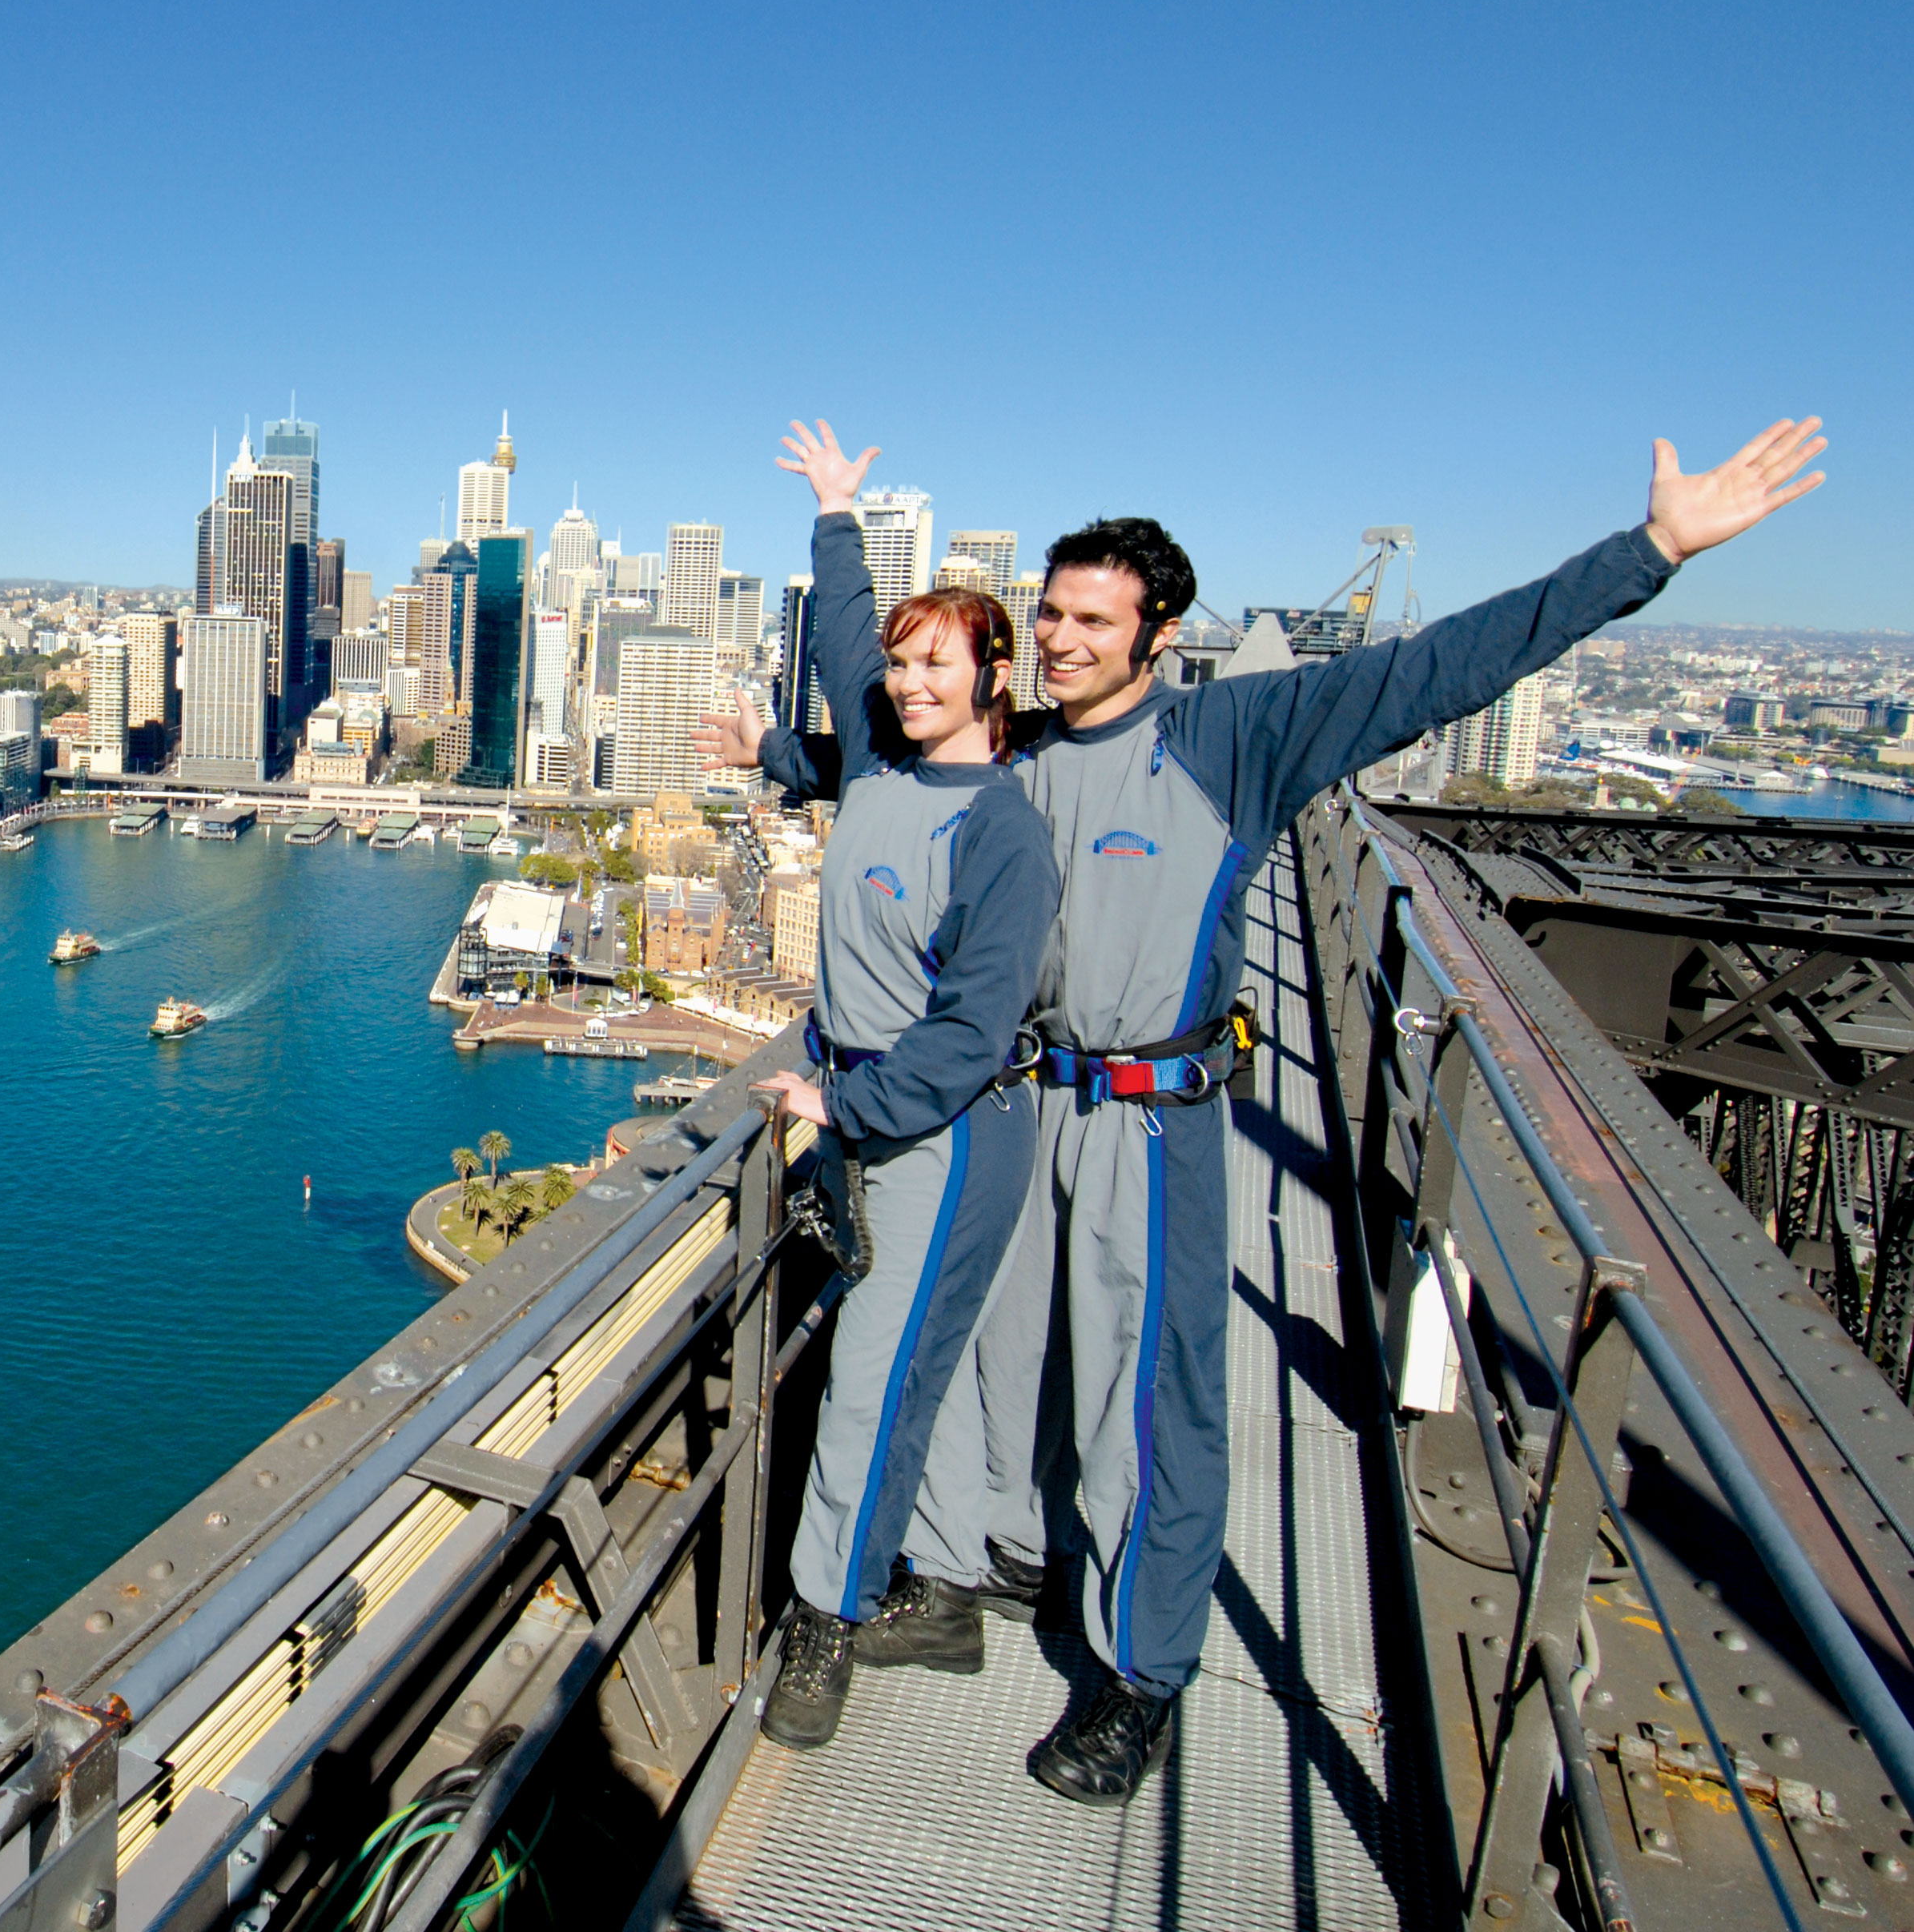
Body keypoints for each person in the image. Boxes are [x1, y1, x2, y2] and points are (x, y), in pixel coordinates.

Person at [703, 413, 1828, 1803]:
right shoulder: (1028, 747)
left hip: (1155, 1120)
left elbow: (1441, 668)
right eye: (1048, 614)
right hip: (1021, 1102)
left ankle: (1141, 1676)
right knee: (994, 1358)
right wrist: (780, 728)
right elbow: (875, 758)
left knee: (1147, 1392)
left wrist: (1648, 552)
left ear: (1159, 633)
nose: (1060, 638)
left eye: (1093, 621)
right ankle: (965, 1571)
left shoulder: (1238, 735)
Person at [688, 581, 1059, 1750]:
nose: (908, 686)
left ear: (995, 678)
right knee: (915, 1367)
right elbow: (846, 658)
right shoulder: (880, 774)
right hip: (878, 1116)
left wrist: (842, 1099)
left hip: (947, 1136)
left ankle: (823, 1624)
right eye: (902, 668)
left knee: (867, 1384)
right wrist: (837, 520)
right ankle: (944, 1595)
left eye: (938, 666)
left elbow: (971, 1033)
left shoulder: (1003, 830)